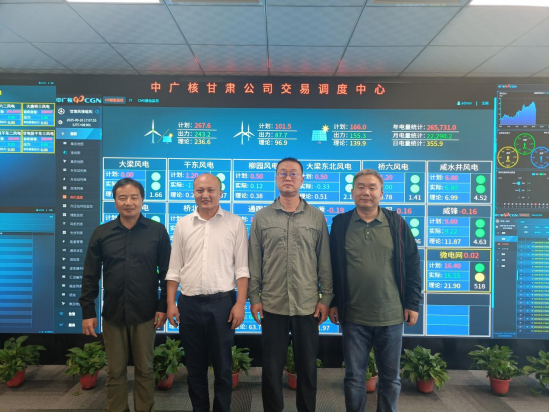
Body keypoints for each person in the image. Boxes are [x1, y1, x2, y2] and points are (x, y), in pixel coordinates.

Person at [329, 169, 422, 412]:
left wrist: (412, 303)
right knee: (354, 378)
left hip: (390, 316)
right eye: (360, 187)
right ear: (352, 192)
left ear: (381, 193)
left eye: (372, 187)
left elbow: (412, 263)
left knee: (390, 379)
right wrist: (333, 302)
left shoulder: (396, 223)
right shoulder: (340, 224)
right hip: (353, 316)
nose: (366, 192)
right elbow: (333, 266)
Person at [248, 157, 333, 412]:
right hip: (272, 303)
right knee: (271, 368)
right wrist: (254, 298)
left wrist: (326, 298)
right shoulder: (261, 217)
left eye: (293, 173)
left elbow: (324, 262)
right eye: (283, 173)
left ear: (302, 179)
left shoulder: (316, 217)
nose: (288, 178)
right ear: (276, 179)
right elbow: (254, 261)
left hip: (307, 304)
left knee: (307, 368)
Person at [80, 178, 171, 412]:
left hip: (145, 313)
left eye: (134, 197)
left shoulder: (157, 231)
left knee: (145, 369)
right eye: (122, 198)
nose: (128, 202)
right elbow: (90, 274)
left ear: (142, 200)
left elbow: (167, 274)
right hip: (113, 313)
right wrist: (87, 310)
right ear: (115, 201)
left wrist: (163, 306)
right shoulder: (102, 233)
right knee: (115, 371)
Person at [166, 173, 249, 412]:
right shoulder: (183, 224)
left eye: (211, 190)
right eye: (200, 190)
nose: (205, 195)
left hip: (223, 304)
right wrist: (171, 303)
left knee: (223, 367)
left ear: (220, 193)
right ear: (193, 193)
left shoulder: (235, 223)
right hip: (189, 304)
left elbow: (242, 268)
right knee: (194, 368)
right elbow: (174, 269)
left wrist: (240, 304)